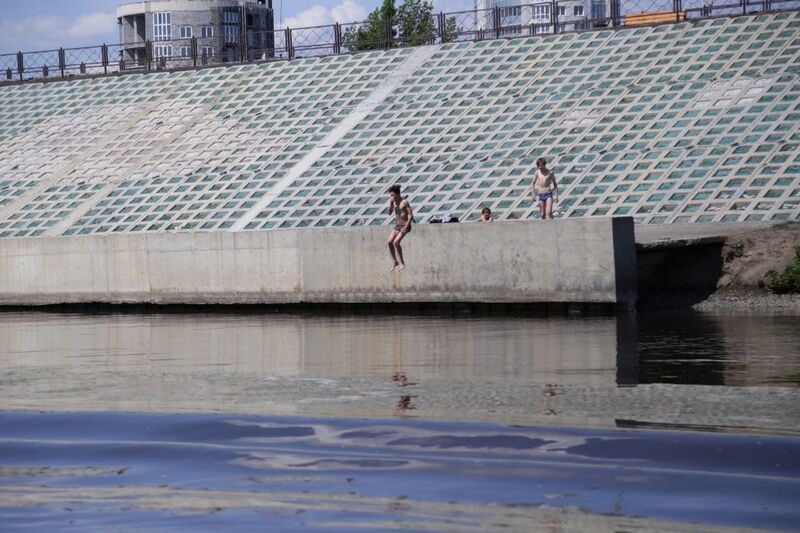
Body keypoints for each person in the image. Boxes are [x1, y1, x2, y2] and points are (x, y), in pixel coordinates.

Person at [388, 184, 413, 272]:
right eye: (391, 196)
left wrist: (406, 227)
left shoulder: (404, 202)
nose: (392, 197)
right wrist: (391, 205)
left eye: (393, 195)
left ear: (398, 194)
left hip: (405, 225)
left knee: (396, 242)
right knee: (389, 241)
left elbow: (410, 215)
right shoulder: (393, 202)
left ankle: (402, 262)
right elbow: (389, 213)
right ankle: (395, 261)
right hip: (397, 225)